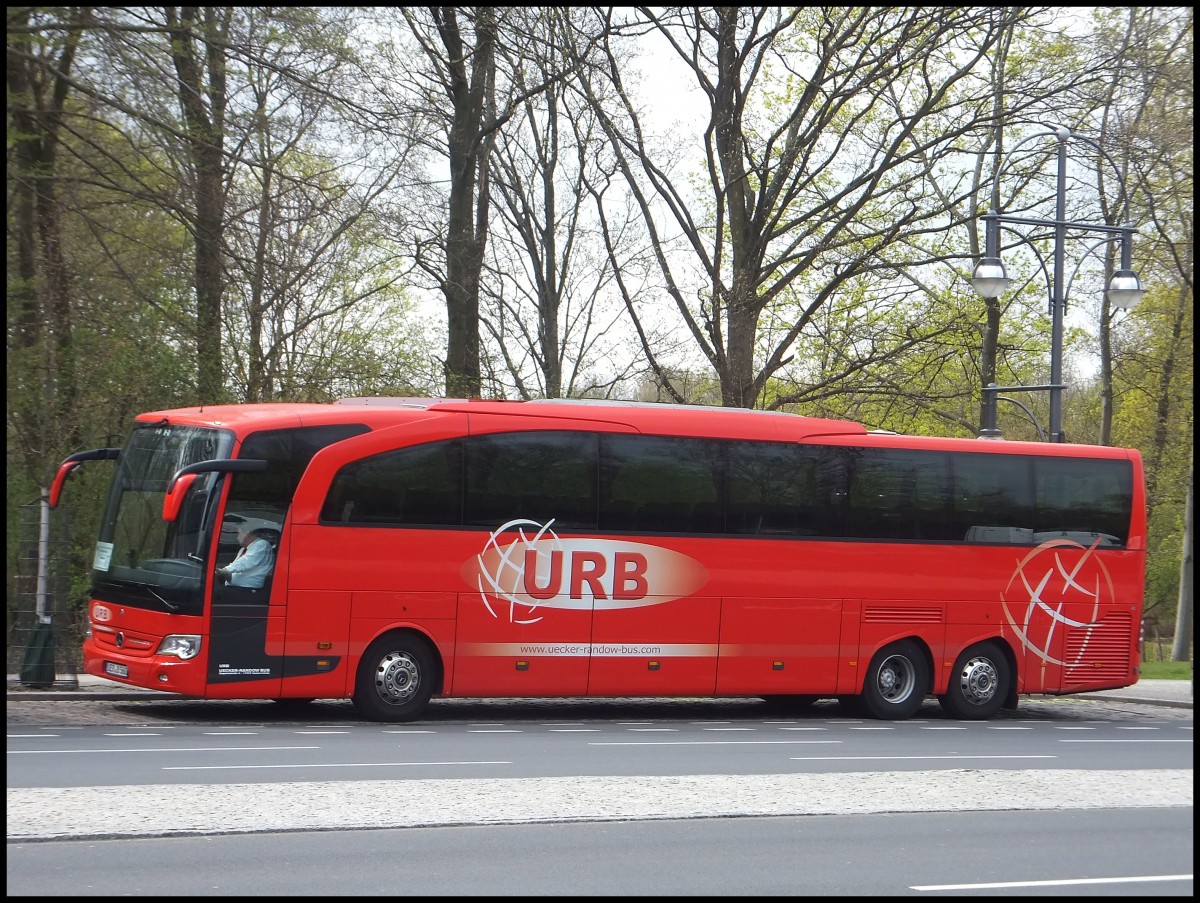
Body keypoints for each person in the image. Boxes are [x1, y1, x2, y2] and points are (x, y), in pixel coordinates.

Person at [217, 524, 275, 588]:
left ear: (247, 533)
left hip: (249, 590)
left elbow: (246, 562)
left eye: (239, 533)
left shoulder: (261, 544)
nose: (237, 537)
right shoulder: (243, 549)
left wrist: (225, 570)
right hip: (234, 587)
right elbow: (237, 567)